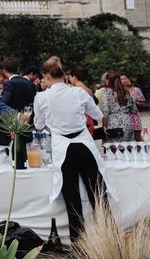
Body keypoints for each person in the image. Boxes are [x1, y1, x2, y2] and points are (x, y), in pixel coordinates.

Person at [33, 56, 114, 242]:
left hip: (63, 149)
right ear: (64, 75)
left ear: (46, 75)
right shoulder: (78, 93)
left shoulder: (41, 97)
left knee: (72, 198)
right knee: (98, 192)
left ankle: (78, 242)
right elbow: (98, 115)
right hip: (84, 145)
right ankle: (109, 236)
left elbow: (38, 126)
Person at [100, 71, 137, 143]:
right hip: (127, 122)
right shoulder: (126, 92)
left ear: (108, 80)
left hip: (114, 124)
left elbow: (105, 110)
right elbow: (133, 109)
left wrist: (104, 125)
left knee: (114, 150)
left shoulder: (106, 92)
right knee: (128, 149)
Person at [120, 72, 146, 141]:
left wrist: (136, 102)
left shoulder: (137, 90)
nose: (123, 80)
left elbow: (143, 103)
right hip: (124, 118)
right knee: (127, 139)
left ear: (129, 79)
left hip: (135, 117)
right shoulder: (119, 92)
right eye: (121, 79)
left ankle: (139, 151)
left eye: (125, 78)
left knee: (138, 138)